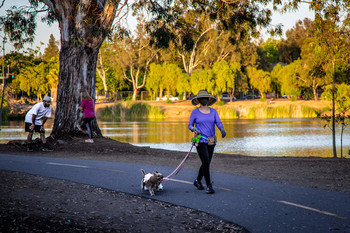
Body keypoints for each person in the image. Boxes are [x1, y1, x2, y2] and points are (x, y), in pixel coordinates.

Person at [188, 90, 226, 194]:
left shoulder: (213, 112)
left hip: (211, 140)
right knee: (205, 162)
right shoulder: (195, 112)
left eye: (205, 98)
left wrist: (222, 129)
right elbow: (190, 125)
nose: (204, 100)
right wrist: (193, 129)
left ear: (208, 99)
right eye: (202, 98)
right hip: (200, 140)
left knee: (207, 162)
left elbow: (218, 122)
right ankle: (209, 186)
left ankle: (197, 181)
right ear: (199, 100)